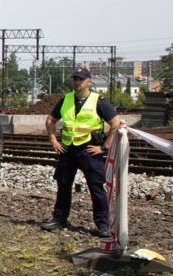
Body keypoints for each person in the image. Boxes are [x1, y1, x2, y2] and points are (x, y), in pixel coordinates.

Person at [40, 67, 121, 238]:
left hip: (89, 150)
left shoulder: (99, 101)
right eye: (75, 79)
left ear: (89, 82)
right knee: (63, 185)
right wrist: (54, 139)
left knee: (96, 187)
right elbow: (50, 120)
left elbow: (115, 123)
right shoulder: (66, 100)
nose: (77, 82)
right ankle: (59, 218)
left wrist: (104, 147)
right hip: (68, 149)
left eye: (81, 79)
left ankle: (102, 225)